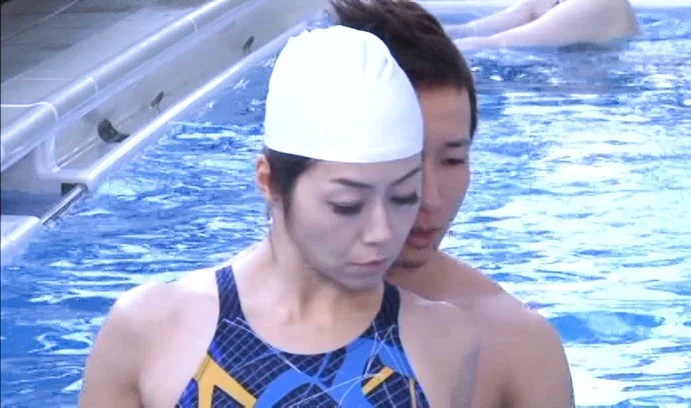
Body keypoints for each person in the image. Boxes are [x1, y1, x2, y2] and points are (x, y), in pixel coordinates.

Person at [79, 25, 480, 407]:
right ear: (269, 182)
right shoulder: (153, 329)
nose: (382, 231)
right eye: (347, 205)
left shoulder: (443, 341)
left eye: (404, 198)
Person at [330, 0, 575, 406]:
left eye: (452, 160)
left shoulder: (516, 346)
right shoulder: (227, 323)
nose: (430, 197)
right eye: (405, 160)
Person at [445, 0, 640, 50]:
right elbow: (470, 30)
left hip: (592, 108)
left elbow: (493, 44)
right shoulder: (548, 2)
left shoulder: (597, 4)